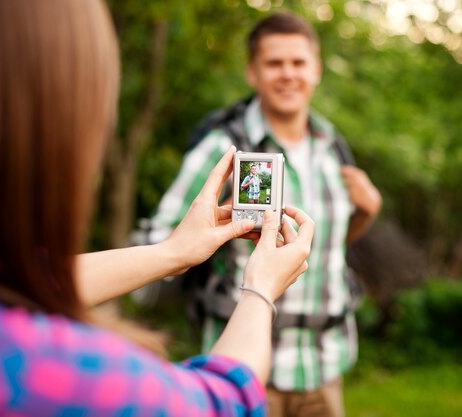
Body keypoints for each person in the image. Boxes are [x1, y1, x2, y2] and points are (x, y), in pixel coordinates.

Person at [0, 1, 315, 415]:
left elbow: (26, 281)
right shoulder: (64, 374)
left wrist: (172, 254)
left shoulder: (330, 148)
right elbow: (224, 403)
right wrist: (261, 289)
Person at [149, 11, 382, 417]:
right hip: (243, 374)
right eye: (274, 63)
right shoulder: (223, 148)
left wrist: (367, 213)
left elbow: (324, 249)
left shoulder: (334, 150)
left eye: (298, 62)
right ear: (252, 72)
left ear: (317, 70)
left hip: (325, 368)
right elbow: (159, 245)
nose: (288, 74)